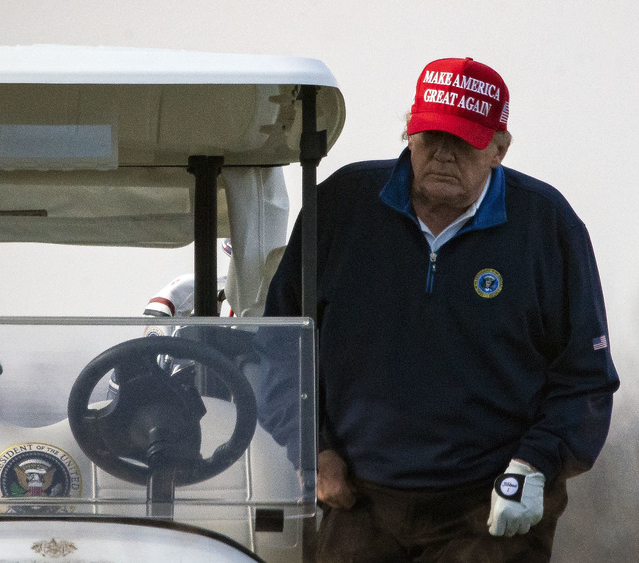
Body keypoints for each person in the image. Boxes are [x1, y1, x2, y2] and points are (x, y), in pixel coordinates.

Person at [258, 57, 620, 562]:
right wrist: (311, 450)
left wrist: (535, 464)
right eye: (431, 136)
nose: (444, 155)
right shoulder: (340, 206)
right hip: (359, 497)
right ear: (409, 132)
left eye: (464, 141)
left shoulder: (547, 226)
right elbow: (275, 347)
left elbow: (585, 377)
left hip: (489, 505)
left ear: (499, 148)